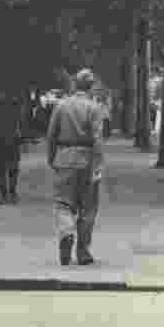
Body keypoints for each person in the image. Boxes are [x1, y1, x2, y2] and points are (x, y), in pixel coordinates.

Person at [46, 69, 105, 266]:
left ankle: (66, 232)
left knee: (63, 203)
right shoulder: (95, 108)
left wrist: (52, 158)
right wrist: (98, 165)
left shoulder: (61, 106)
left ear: (74, 84)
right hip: (87, 160)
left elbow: (51, 135)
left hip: (64, 158)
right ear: (91, 86)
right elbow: (97, 139)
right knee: (88, 209)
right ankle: (83, 251)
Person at [0, 88, 23, 205]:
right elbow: (21, 123)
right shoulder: (15, 105)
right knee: (11, 169)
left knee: (2, 170)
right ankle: (11, 194)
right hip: (11, 142)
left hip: (0, 142)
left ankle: (5, 195)